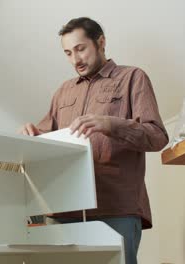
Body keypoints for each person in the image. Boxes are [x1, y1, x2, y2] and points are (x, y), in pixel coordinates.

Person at [19, 17, 169, 264]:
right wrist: (30, 134)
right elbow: (44, 139)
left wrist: (111, 124)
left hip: (116, 206)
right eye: (68, 53)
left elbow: (157, 136)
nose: (75, 60)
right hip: (63, 209)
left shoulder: (132, 77)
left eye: (81, 49)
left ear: (101, 42)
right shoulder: (63, 92)